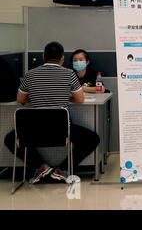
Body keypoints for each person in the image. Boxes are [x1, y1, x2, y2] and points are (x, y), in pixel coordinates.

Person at [4, 42, 100, 184]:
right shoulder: (69, 74)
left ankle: (41, 167)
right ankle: (61, 169)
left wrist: (37, 95)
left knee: (10, 139)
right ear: (62, 58)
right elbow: (80, 99)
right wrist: (64, 95)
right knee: (93, 139)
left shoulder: (30, 74)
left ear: (44, 56)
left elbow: (20, 98)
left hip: (34, 131)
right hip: (61, 132)